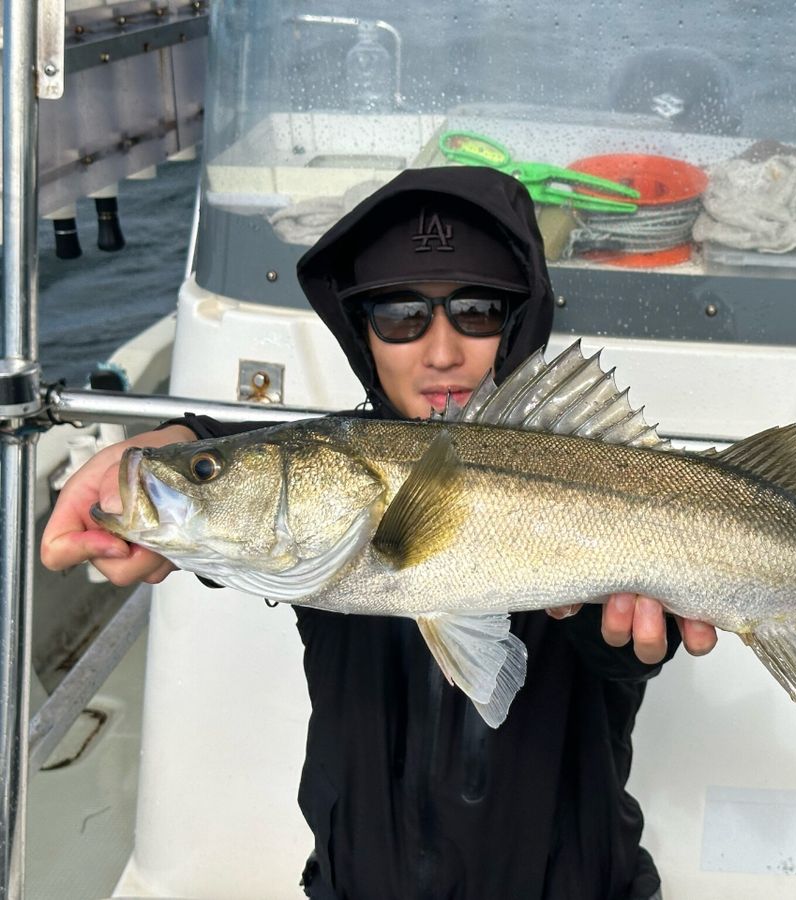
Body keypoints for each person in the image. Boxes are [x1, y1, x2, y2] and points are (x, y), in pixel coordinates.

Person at [41, 166, 717, 900]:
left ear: (520, 320)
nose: (441, 351)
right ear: (362, 331)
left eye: (480, 310)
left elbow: (627, 659)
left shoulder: (584, 465)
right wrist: (182, 444)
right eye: (401, 315)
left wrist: (620, 632)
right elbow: (279, 495)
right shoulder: (322, 499)